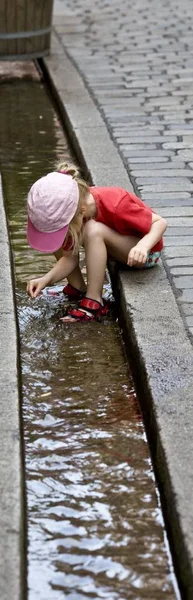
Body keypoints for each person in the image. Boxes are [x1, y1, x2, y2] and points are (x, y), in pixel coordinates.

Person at [26, 162, 167, 322]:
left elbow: (160, 223)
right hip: (115, 247)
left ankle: (94, 300)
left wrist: (143, 246)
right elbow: (69, 259)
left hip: (143, 253)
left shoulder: (116, 203)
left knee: (92, 229)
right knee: (59, 237)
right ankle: (77, 287)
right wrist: (46, 279)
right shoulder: (75, 207)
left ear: (82, 212)